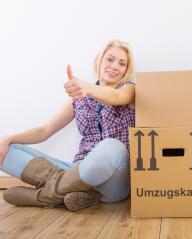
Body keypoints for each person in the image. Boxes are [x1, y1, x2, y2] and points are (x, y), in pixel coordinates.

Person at [0, 40, 135, 211]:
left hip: (113, 180)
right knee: (7, 150)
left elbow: (115, 97)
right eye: (110, 59)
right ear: (98, 61)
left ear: (126, 70)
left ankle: (44, 196)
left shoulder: (128, 89)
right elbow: (44, 131)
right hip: (78, 169)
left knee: (112, 146)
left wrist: (87, 88)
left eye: (122, 63)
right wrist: (8, 138)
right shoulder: (78, 99)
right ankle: (79, 192)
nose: (115, 66)